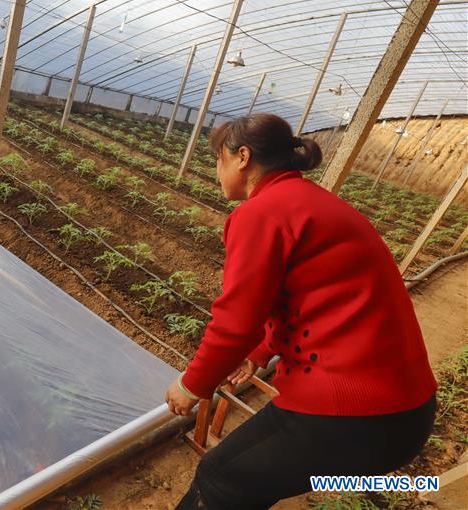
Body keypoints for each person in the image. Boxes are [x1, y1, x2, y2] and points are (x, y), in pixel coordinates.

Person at [165, 113, 437, 510]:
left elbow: (236, 322)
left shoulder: (262, 212)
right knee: (248, 480)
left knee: (222, 477)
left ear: (242, 157)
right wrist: (260, 353)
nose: (216, 169)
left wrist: (191, 385)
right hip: (402, 413)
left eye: (217, 158)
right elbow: (310, 298)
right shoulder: (314, 203)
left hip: (356, 415)